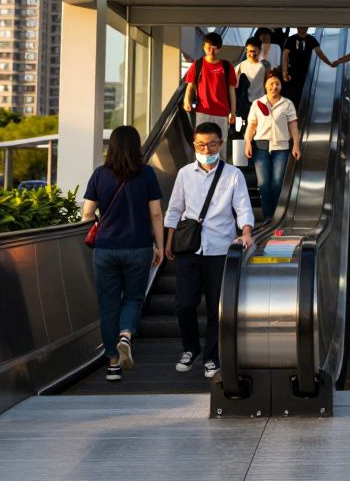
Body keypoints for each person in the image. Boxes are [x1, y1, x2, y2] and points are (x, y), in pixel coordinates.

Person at [163, 122, 255, 378]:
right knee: (184, 304)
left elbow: (243, 207)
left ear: (221, 144)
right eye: (201, 145)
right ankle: (190, 348)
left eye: (212, 144)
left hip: (220, 249)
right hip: (189, 248)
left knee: (217, 307)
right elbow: (174, 209)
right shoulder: (184, 174)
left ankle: (212, 357)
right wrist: (169, 239)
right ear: (194, 145)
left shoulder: (233, 175)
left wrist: (246, 231)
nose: (206, 149)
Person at [81, 125, 165, 383]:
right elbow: (156, 214)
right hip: (138, 246)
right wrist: (160, 246)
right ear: (136, 146)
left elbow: (86, 213)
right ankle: (126, 336)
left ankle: (113, 366)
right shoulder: (147, 174)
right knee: (133, 298)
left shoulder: (99, 174)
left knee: (108, 306)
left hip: (105, 248)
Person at [244, 69, 300, 219]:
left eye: (277, 84)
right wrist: (247, 142)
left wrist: (296, 145)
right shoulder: (257, 104)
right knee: (263, 184)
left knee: (277, 184)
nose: (274, 87)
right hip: (261, 146)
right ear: (265, 85)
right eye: (270, 84)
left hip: (281, 147)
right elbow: (251, 125)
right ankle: (269, 217)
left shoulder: (287, 104)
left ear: (281, 86)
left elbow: (293, 127)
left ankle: (277, 217)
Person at [183, 32, 237, 158]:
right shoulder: (197, 65)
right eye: (208, 47)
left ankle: (220, 171)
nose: (211, 50)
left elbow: (231, 90)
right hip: (203, 111)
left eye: (214, 48)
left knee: (221, 144)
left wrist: (233, 112)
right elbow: (190, 86)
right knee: (201, 143)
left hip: (222, 112)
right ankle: (201, 171)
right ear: (203, 47)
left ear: (219, 49)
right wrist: (187, 101)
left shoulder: (226, 66)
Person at [281, 27, 332, 103]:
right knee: (293, 94)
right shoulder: (291, 39)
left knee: (303, 93)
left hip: (306, 71)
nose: (304, 29)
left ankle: (300, 109)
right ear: (297, 28)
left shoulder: (311, 39)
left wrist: (329, 63)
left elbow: (320, 53)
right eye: (302, 27)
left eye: (305, 27)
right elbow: (285, 55)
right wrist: (284, 71)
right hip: (293, 71)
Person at [236, 38, 269, 114]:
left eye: (254, 51)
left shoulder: (264, 65)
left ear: (259, 50)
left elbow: (267, 82)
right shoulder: (241, 65)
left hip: (259, 102)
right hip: (244, 102)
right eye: (248, 51)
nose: (251, 54)